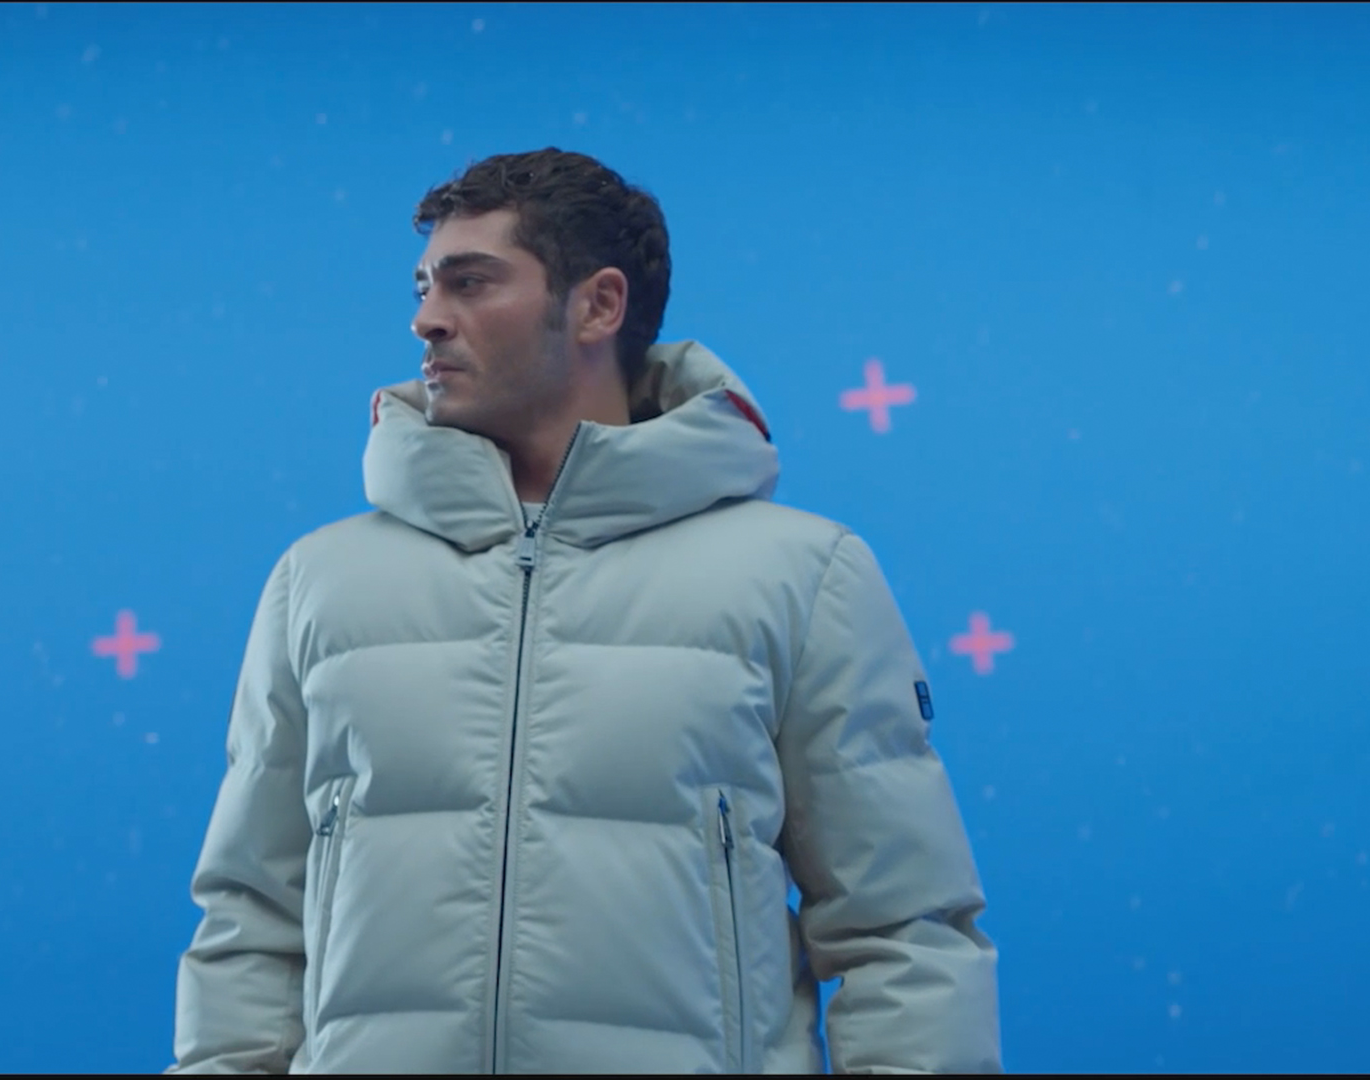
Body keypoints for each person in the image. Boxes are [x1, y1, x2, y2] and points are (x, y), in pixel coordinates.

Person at [166, 148, 1001, 1074]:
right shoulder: (320, 581)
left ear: (598, 306)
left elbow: (905, 933)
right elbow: (251, 924)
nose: (426, 318)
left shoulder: (802, 577)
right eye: (424, 286)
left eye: (470, 282)